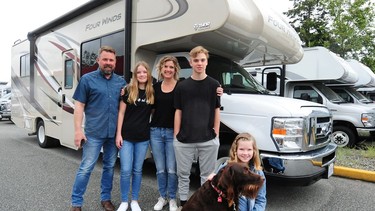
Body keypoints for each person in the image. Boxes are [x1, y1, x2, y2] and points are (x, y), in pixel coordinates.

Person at [70, 46, 126, 211]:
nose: (108, 63)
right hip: (93, 133)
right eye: (105, 59)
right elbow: (79, 106)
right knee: (86, 168)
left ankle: (106, 199)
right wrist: (78, 130)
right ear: (98, 61)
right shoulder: (87, 80)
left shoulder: (121, 82)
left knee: (109, 167)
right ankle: (76, 203)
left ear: (115, 62)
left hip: (112, 134)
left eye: (111, 60)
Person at [173, 46, 221, 208]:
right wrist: (176, 135)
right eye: (196, 60)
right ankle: (184, 204)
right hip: (184, 139)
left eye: (202, 60)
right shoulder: (182, 86)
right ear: (190, 62)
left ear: (207, 62)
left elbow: (216, 110)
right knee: (183, 175)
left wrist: (216, 134)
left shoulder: (214, 85)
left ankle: (202, 206)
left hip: (208, 139)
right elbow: (178, 111)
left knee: (207, 176)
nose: (199, 63)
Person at [116, 61, 154, 211]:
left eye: (144, 72)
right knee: (126, 170)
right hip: (126, 137)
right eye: (139, 72)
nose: (142, 75)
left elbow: (153, 113)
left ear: (148, 74)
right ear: (135, 75)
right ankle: (124, 201)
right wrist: (118, 134)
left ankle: (134, 200)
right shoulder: (128, 90)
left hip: (143, 138)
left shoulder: (151, 92)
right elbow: (121, 113)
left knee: (138, 170)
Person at [150, 56, 180, 211]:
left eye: (171, 67)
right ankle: (163, 197)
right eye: (165, 67)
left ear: (175, 69)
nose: (168, 69)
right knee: (160, 169)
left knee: (172, 169)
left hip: (172, 133)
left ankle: (173, 199)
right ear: (160, 69)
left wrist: (217, 90)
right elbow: (151, 109)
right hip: (155, 132)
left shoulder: (181, 87)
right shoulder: (155, 87)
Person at [212, 133, 267, 211]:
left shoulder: (258, 173)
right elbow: (216, 193)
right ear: (235, 150)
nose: (245, 153)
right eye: (241, 149)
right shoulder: (225, 169)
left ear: (254, 151)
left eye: (249, 149)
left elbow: (261, 200)